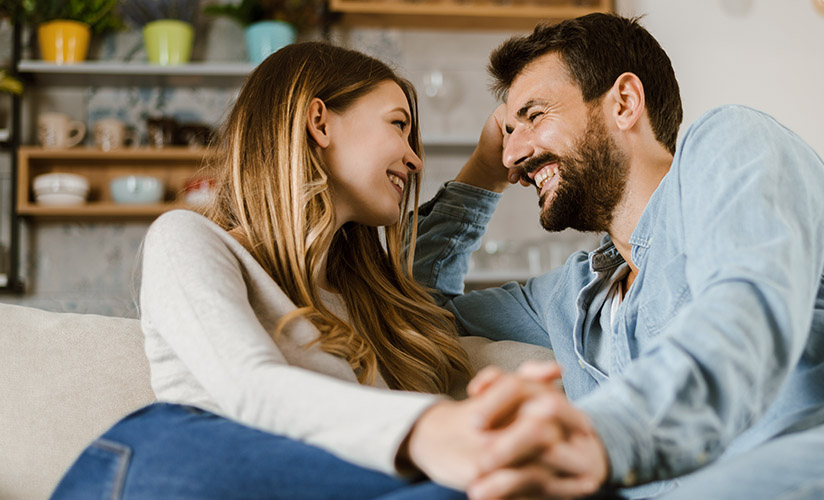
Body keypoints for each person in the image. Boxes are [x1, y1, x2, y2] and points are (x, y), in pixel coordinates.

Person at [412, 13, 824, 500]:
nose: (516, 151)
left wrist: (602, 436)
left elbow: (744, 315)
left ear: (624, 103)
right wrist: (482, 173)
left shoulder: (731, 146)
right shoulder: (568, 298)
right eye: (507, 133)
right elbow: (412, 308)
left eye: (534, 117)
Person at [50, 41, 582, 500]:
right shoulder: (188, 239)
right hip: (170, 469)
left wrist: (489, 168)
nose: (415, 158)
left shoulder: (365, 303)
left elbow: (425, 294)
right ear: (319, 121)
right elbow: (249, 388)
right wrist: (432, 429)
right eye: (398, 125)